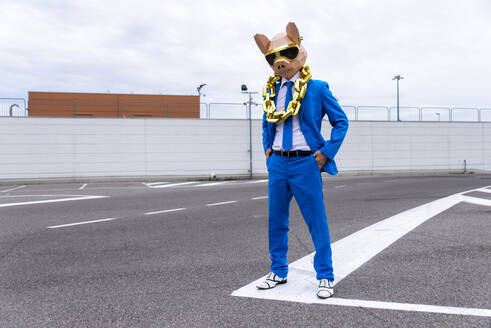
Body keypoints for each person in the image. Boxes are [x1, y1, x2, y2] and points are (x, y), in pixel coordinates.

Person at [253, 22, 349, 299]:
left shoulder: (317, 88)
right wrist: (267, 149)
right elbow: (265, 123)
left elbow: (340, 121)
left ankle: (325, 276)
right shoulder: (272, 90)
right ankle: (278, 270)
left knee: (315, 220)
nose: (279, 63)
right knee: (276, 219)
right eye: (273, 58)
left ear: (299, 51)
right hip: (278, 164)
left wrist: (327, 151)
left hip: (307, 162)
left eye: (286, 54)